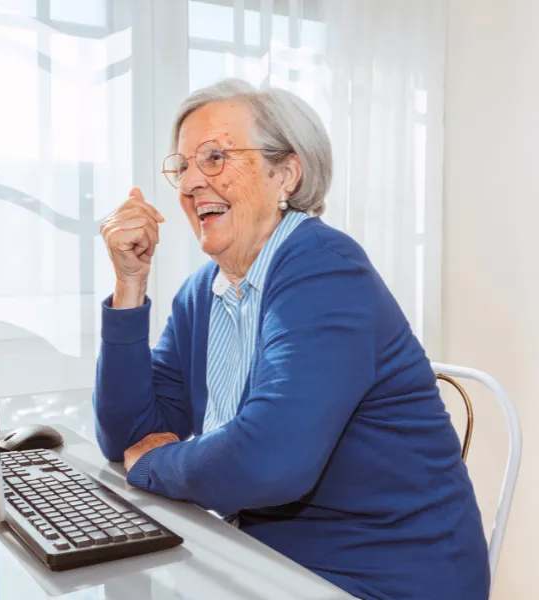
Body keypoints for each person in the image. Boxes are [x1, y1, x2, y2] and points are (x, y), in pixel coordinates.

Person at [94, 79, 490, 600]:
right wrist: (130, 286)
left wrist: (153, 466)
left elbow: (269, 460)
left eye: (215, 158)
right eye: (184, 165)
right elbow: (128, 433)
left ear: (285, 173)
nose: (191, 183)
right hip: (266, 562)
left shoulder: (324, 269)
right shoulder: (203, 292)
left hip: (385, 576)